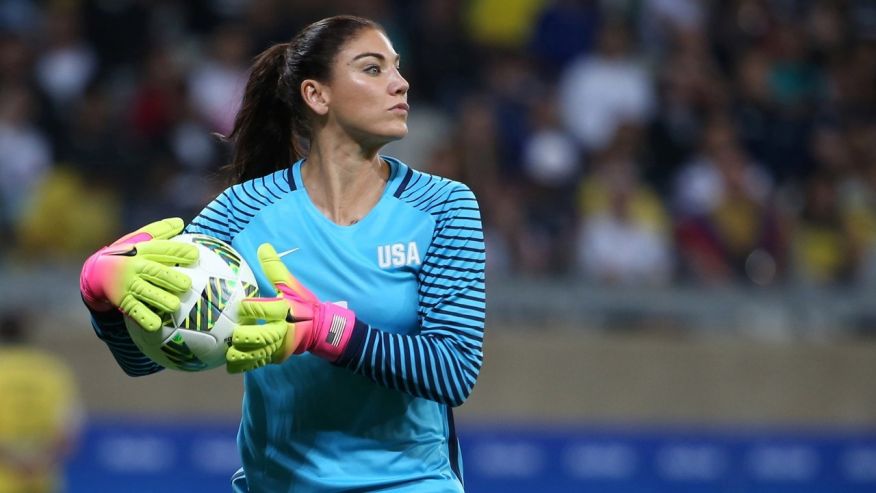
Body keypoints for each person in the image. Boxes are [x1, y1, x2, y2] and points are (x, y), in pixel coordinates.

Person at [78, 15, 486, 492]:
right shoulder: (243, 209)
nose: (401, 83)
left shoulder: (443, 205)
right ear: (317, 95)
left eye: (397, 67)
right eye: (373, 69)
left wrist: (326, 331)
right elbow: (147, 358)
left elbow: (454, 369)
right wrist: (104, 298)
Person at [0, 312, 82, 493]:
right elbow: (69, 430)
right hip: (42, 479)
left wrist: (15, 461)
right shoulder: (52, 370)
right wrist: (41, 461)